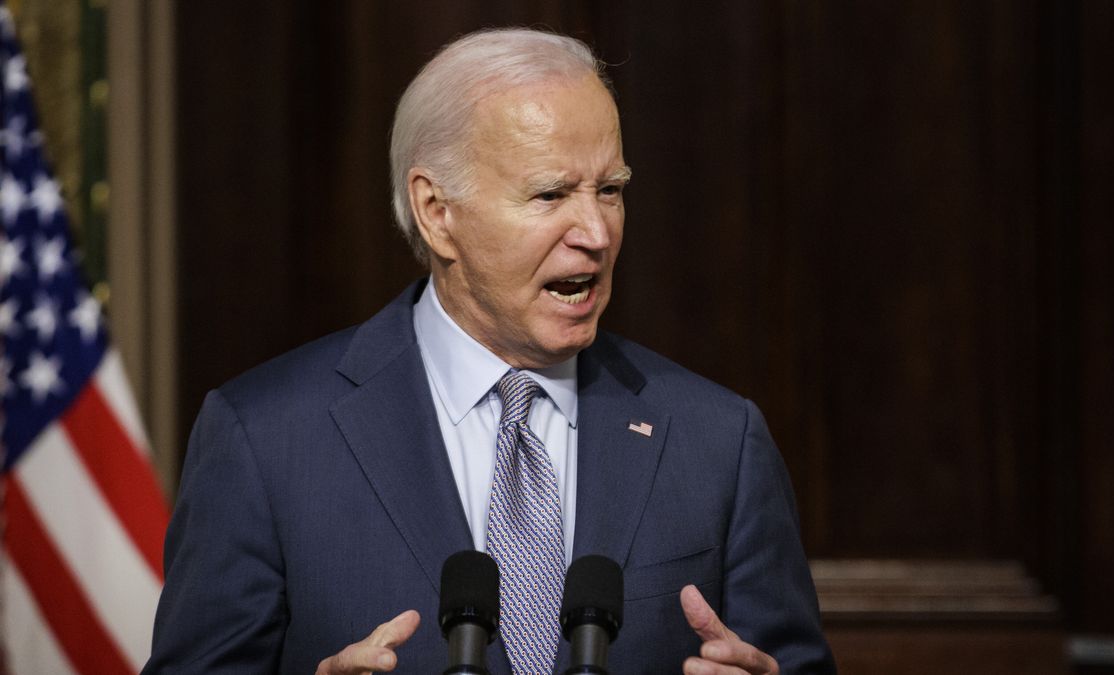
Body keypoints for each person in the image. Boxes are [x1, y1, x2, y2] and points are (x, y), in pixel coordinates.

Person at [145, 28, 835, 675]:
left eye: (612, 190)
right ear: (437, 211)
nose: (595, 231)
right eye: (551, 193)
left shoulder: (717, 441)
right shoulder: (265, 440)